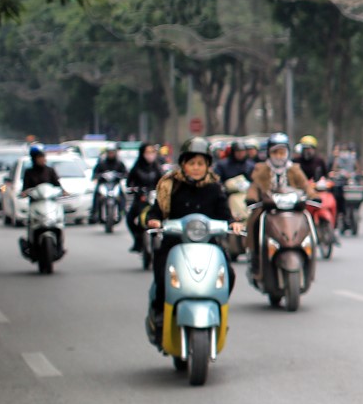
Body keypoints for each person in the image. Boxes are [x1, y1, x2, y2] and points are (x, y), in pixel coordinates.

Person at [145, 138, 239, 341]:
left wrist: (233, 224)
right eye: (192, 163)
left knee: (228, 275)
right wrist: (154, 220)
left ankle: (218, 310)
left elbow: (225, 214)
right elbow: (155, 211)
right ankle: (159, 311)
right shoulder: (170, 186)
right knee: (163, 274)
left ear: (207, 166)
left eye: (201, 164)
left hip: (208, 244)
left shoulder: (214, 188)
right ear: (183, 164)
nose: (196, 168)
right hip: (175, 243)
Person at [245, 134, 313, 250]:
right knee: (255, 220)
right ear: (269, 153)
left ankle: (307, 247)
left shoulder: (294, 168)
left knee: (307, 218)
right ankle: (254, 251)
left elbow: (305, 185)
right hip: (268, 207)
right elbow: (254, 186)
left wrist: (313, 195)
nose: (279, 156)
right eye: (275, 152)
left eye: (282, 153)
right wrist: (252, 198)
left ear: (287, 153)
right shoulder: (261, 168)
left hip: (292, 207)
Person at [126, 142, 165, 252]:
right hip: (141, 199)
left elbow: (163, 182)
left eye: (152, 152)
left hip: (155, 199)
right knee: (130, 219)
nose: (150, 155)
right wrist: (135, 189)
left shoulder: (157, 167)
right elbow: (129, 183)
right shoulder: (136, 167)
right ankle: (138, 240)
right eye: (147, 152)